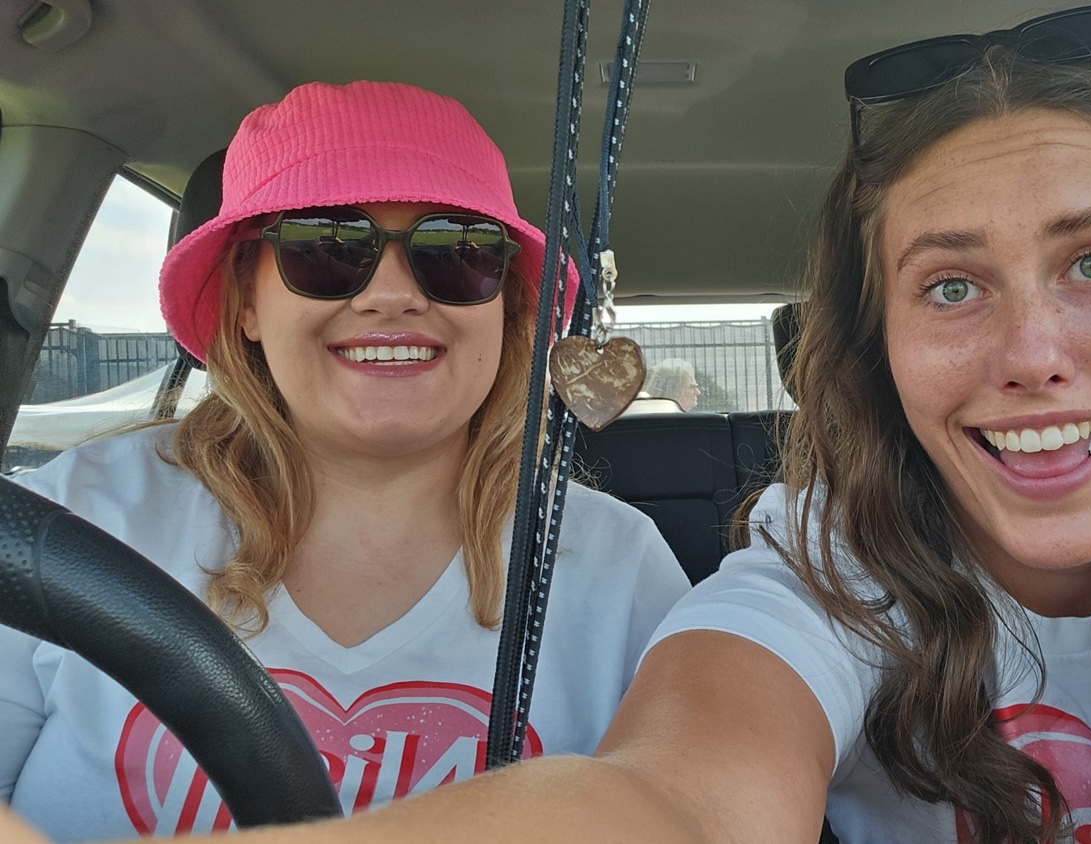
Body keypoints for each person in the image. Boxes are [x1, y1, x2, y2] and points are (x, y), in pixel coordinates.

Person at [9, 10, 1091, 844]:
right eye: (953, 284)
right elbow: (678, 807)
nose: (1034, 352)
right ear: (242, 300)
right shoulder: (821, 568)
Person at [0, 80, 688, 841]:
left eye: (457, 253)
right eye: (325, 247)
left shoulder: (618, 568)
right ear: (249, 301)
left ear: (506, 307)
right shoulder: (75, 519)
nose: (391, 296)